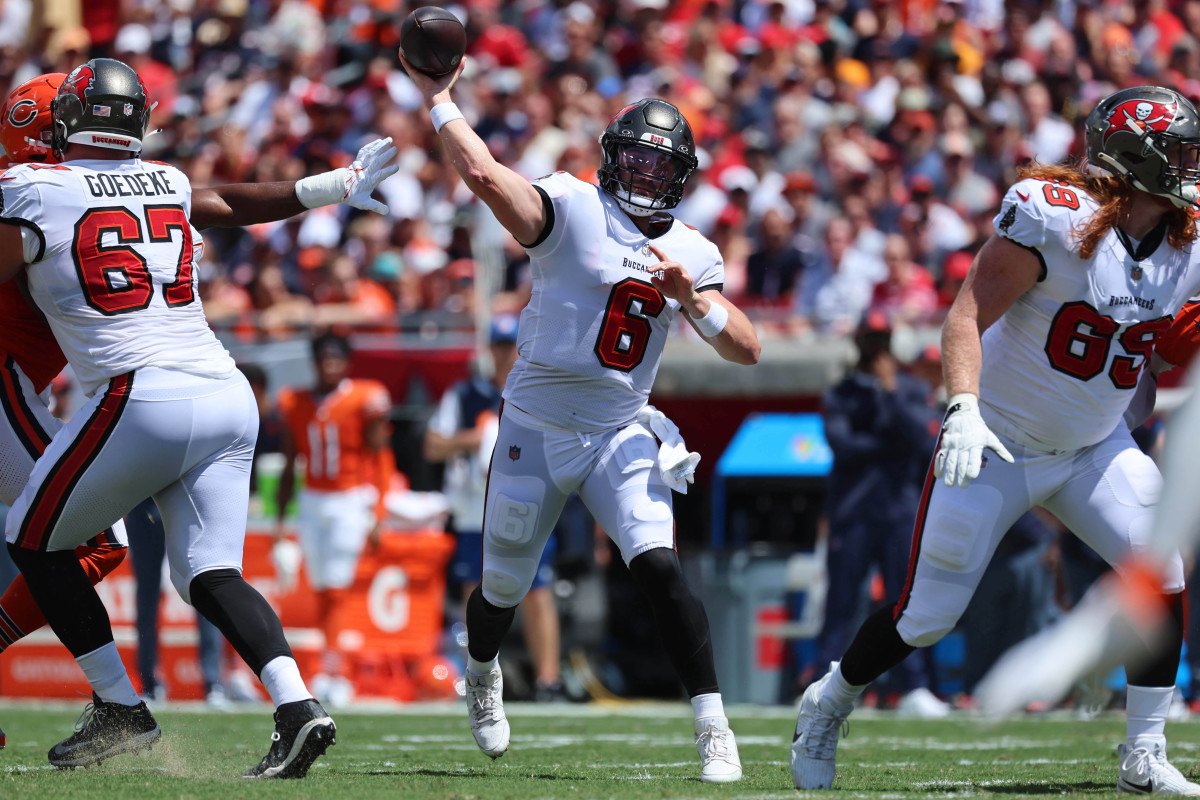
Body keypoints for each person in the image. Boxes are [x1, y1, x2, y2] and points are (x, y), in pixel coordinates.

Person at [792, 85, 1200, 795]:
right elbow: (963, 318)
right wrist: (963, 409)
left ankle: (1144, 752)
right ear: (1136, 158)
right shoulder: (1055, 220)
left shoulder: (1186, 243)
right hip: (999, 439)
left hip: (1093, 448)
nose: (1191, 167)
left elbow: (1154, 350)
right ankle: (829, 700)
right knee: (925, 617)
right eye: (1179, 153)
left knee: (1159, 576)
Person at [0, 58, 396, 775]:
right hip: (224, 390)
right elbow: (229, 201)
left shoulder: (34, 188)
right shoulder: (168, 182)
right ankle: (298, 706)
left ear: (68, 121)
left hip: (139, 394)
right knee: (212, 573)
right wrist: (331, 188)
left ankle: (121, 707)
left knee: (33, 538)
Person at [401, 55, 760, 783]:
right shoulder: (571, 206)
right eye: (636, 159)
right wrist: (440, 99)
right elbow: (483, 176)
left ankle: (713, 726)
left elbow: (747, 350)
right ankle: (481, 672)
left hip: (619, 430)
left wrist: (693, 299)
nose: (647, 176)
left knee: (660, 568)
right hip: (533, 423)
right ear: (609, 157)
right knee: (501, 588)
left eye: (662, 168)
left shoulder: (693, 250)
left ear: (683, 178)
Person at [424, 313, 566, 702]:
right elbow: (433, 445)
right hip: (477, 510)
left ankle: (548, 681)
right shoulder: (466, 395)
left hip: (529, 507)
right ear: (490, 349)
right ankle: (480, 682)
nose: (506, 354)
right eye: (500, 346)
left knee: (538, 593)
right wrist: (477, 437)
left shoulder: (537, 392)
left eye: (511, 345)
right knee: (478, 593)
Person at [814, 313, 949, 717]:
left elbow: (925, 441)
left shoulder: (907, 388)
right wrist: (889, 444)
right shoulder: (841, 393)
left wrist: (889, 393)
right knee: (841, 602)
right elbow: (843, 445)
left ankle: (915, 687)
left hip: (899, 512)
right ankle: (823, 681)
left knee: (904, 602)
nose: (876, 349)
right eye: (870, 339)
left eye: (882, 339)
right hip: (853, 511)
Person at [274, 330, 396, 707]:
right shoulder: (294, 401)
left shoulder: (364, 397)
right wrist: (280, 520)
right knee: (322, 589)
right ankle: (330, 669)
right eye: (322, 357)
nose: (329, 364)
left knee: (337, 590)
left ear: (345, 362)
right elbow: (290, 460)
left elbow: (379, 455)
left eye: (335, 357)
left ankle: (337, 671)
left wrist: (378, 511)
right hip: (312, 500)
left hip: (349, 498)